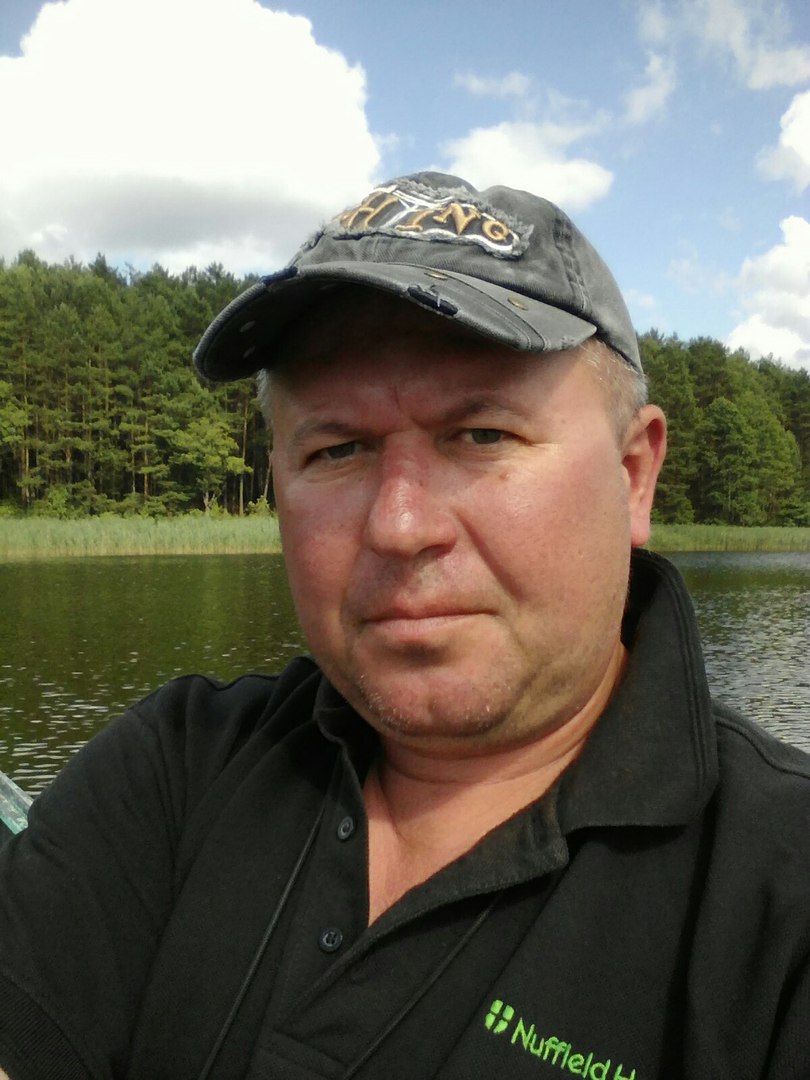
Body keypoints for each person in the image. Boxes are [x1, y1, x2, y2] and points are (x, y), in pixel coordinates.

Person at [1, 172, 809, 1080]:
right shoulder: (176, 769)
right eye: (337, 449)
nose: (399, 525)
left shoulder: (782, 899)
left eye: (482, 435)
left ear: (633, 475)